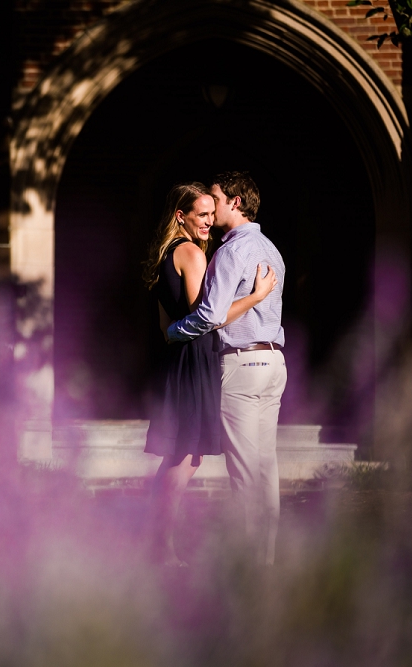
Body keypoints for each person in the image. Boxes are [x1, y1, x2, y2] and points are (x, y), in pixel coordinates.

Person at [143, 182, 277, 566]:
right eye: (200, 215)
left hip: (180, 356)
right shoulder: (192, 254)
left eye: (209, 213)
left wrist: (172, 337)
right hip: (195, 359)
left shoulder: (168, 253)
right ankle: (160, 549)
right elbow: (210, 318)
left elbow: (166, 321)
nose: (208, 221)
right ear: (180, 216)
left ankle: (155, 542)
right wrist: (255, 296)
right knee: (186, 453)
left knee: (181, 452)